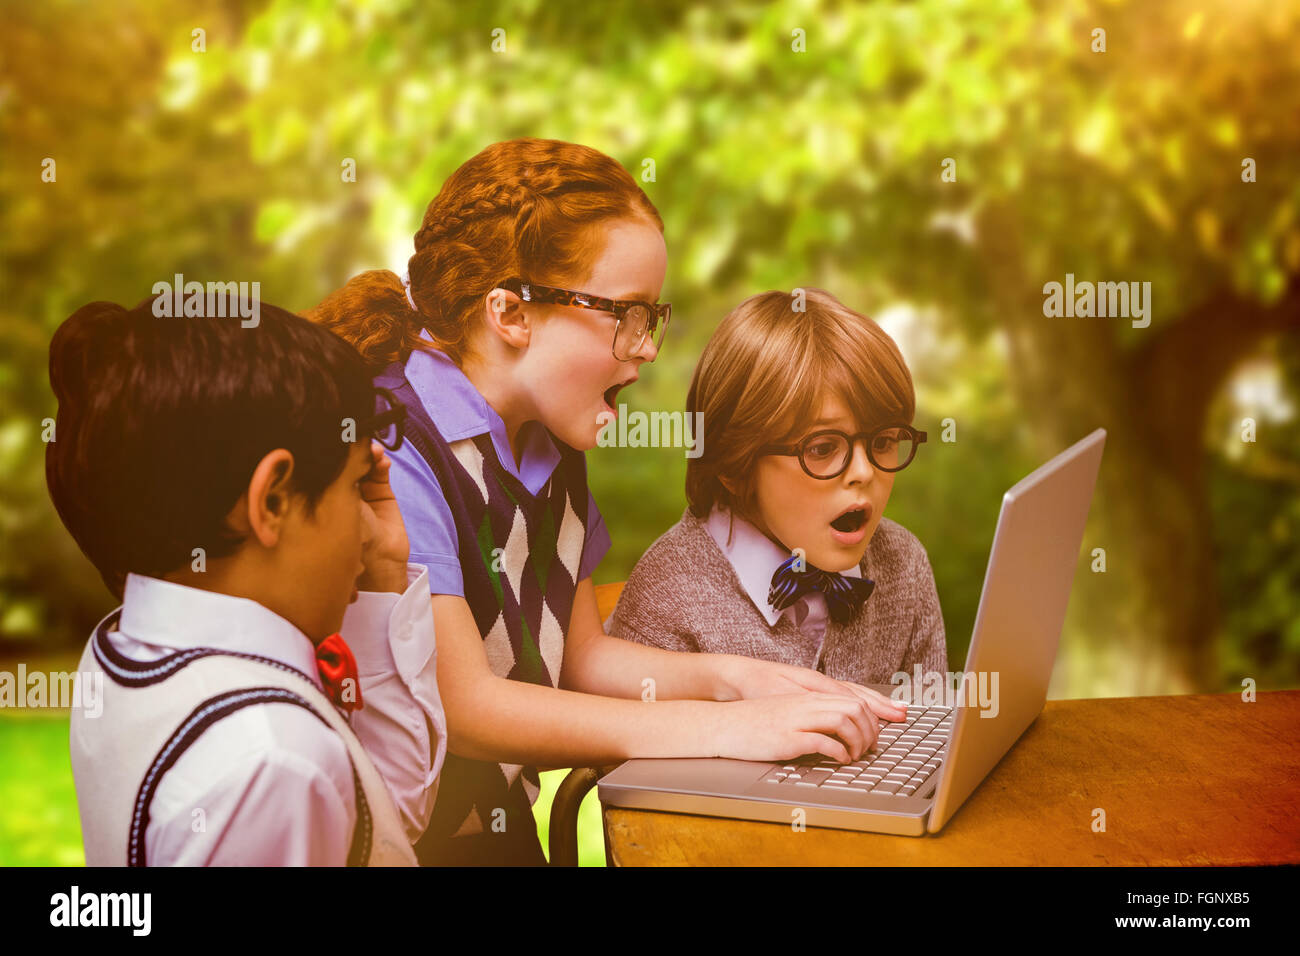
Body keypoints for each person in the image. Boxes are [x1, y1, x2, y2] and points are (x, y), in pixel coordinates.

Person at [309, 138, 906, 865]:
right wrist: (720, 731)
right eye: (625, 313)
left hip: (489, 833)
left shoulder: (552, 436)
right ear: (510, 313)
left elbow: (579, 656)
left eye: (652, 316)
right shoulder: (398, 443)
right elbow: (467, 709)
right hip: (390, 845)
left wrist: (736, 682)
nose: (647, 348)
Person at [48, 291, 445, 865]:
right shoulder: (271, 758)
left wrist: (383, 572)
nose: (367, 526)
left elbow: (377, 823)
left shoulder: (131, 644)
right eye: (356, 485)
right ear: (273, 501)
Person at [610, 288, 948, 685]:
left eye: (883, 442)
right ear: (733, 465)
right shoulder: (666, 599)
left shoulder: (903, 563)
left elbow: (935, 728)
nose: (864, 471)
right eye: (822, 448)